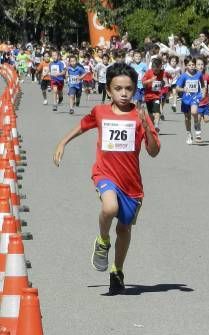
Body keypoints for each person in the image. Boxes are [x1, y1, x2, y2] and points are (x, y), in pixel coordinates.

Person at [52, 62, 161, 295]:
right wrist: (62, 142)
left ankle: (117, 270)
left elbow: (153, 151)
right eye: (118, 88)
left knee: (124, 230)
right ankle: (102, 241)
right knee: (109, 207)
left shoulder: (140, 115)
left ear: (135, 90)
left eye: (128, 89)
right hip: (105, 174)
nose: (123, 93)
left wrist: (147, 127)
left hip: (132, 184)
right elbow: (82, 126)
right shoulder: (101, 112)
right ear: (109, 90)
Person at [174, 57, 204, 144]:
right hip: (186, 98)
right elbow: (177, 88)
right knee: (187, 118)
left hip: (195, 97)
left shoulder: (199, 74)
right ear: (186, 66)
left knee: (194, 112)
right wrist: (183, 89)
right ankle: (189, 133)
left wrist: (202, 93)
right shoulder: (183, 76)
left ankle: (197, 131)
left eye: (193, 65)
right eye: (189, 65)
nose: (191, 66)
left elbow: (202, 85)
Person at [142, 56, 169, 132]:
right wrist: (150, 80)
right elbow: (143, 83)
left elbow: (166, 79)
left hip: (157, 96)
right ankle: (153, 124)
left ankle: (156, 125)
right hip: (148, 96)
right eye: (155, 70)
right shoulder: (148, 72)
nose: (156, 72)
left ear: (160, 67)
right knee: (150, 115)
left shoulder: (162, 72)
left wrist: (165, 83)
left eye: (158, 70)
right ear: (152, 67)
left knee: (157, 111)